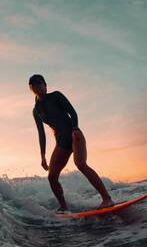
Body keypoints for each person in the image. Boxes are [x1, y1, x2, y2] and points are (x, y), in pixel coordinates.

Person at [29, 74, 114, 213]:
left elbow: (73, 112)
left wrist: (75, 129)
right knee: (52, 177)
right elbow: (41, 134)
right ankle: (63, 206)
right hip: (61, 143)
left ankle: (107, 198)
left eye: (40, 84)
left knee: (80, 164)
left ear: (45, 85)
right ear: (31, 89)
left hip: (74, 135)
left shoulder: (56, 96)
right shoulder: (36, 111)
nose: (38, 87)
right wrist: (43, 156)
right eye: (34, 86)